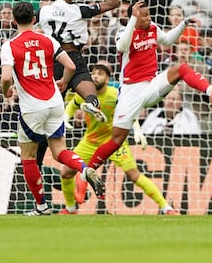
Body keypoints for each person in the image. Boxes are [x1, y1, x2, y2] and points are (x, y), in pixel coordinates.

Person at [84, 0, 212, 182]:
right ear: (134, 17)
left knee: (181, 69)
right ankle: (88, 171)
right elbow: (121, 47)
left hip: (152, 85)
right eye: (144, 15)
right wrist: (133, 19)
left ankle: (211, 91)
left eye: (149, 14)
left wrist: (184, 24)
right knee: (116, 140)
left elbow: (168, 40)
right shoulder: (123, 32)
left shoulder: (152, 27)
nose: (149, 18)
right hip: (131, 92)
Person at [0, 1, 105, 215]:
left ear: (13, 21)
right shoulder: (48, 39)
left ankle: (41, 206)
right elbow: (71, 66)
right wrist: (64, 82)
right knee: (60, 152)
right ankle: (85, 169)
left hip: (31, 107)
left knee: (28, 157)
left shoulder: (9, 45)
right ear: (34, 19)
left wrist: (6, 91)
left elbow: (6, 77)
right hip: (55, 102)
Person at [59, 63, 179, 214]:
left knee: (134, 175)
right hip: (90, 142)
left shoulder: (115, 94)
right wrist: (66, 117)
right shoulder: (84, 93)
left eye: (100, 73)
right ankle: (70, 208)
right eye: (94, 73)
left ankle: (166, 207)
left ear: (108, 79)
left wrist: (137, 130)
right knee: (65, 172)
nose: (95, 76)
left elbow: (129, 112)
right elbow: (73, 104)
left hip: (115, 142)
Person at [38, 0, 119, 123]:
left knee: (51, 114)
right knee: (91, 95)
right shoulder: (80, 10)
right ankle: (90, 104)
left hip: (52, 60)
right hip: (73, 56)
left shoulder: (43, 10)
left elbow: (23, 22)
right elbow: (112, 3)